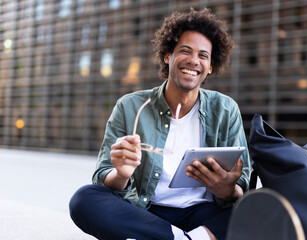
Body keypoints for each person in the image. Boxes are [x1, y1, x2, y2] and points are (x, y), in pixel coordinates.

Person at [69, 8, 250, 240]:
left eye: (203, 56)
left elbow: (242, 184)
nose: (194, 61)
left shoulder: (225, 109)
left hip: (204, 214)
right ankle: (182, 238)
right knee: (84, 199)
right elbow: (104, 174)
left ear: (211, 66)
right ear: (168, 56)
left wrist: (227, 190)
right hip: (146, 212)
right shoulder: (130, 106)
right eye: (185, 51)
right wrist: (122, 174)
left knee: (255, 209)